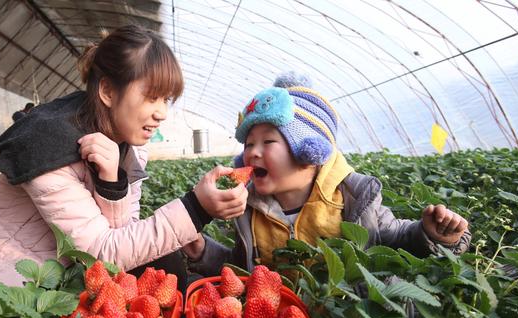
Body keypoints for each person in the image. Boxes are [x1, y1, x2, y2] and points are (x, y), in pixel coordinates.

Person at [0, 25, 248, 286]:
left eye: (166, 99)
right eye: (151, 96)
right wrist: (197, 209)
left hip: (66, 272)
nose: (162, 113)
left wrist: (112, 182)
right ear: (107, 90)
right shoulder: (47, 143)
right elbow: (102, 254)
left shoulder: (126, 145)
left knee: (164, 262)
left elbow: (121, 235)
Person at [183, 72, 471, 276]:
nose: (252, 153)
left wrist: (432, 235)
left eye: (268, 141)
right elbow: (242, 270)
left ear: (309, 151)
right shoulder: (249, 209)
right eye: (248, 144)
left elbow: (397, 240)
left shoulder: (354, 199)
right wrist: (202, 250)